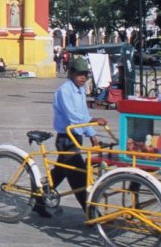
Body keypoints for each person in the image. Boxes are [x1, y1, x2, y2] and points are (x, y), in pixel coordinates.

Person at [34, 57, 108, 218]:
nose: (83, 78)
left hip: (76, 137)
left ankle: (38, 200)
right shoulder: (64, 90)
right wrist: (93, 121)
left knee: (60, 172)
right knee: (79, 176)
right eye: (80, 74)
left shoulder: (80, 90)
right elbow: (73, 116)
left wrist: (92, 134)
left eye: (86, 75)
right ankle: (92, 214)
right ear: (72, 73)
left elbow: (83, 113)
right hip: (66, 139)